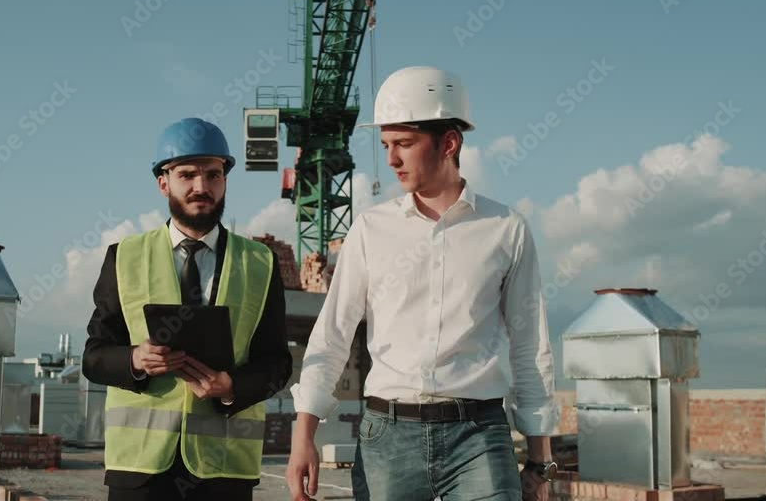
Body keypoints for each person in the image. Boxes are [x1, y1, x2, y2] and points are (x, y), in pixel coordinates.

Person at [285, 67, 559, 501]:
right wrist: (304, 434)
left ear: (448, 143)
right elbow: (333, 333)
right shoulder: (370, 230)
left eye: (404, 145)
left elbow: (530, 346)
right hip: (387, 439)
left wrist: (540, 460)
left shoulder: (506, 229)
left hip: (479, 438)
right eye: (386, 145)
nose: (391, 159)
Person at [82, 117, 292, 501]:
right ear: (163, 183)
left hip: (224, 469)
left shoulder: (259, 263)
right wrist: (136, 360)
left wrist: (232, 388)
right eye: (187, 175)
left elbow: (277, 363)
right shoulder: (124, 257)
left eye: (213, 175)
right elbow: (94, 356)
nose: (201, 187)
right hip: (141, 470)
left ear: (225, 180)